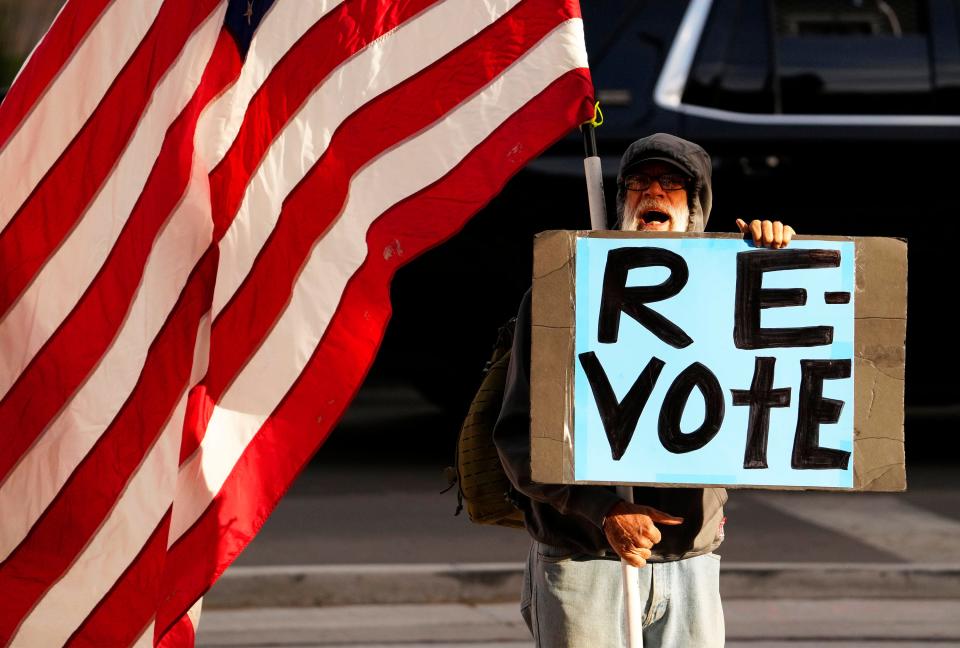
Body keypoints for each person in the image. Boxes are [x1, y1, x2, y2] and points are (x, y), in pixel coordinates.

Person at [493, 133, 795, 647]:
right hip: (584, 560)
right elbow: (519, 437)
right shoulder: (563, 295)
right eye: (639, 182)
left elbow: (782, 389)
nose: (652, 192)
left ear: (696, 206)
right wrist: (605, 510)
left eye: (672, 183)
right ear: (620, 201)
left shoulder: (731, 295)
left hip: (690, 562)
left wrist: (773, 263)